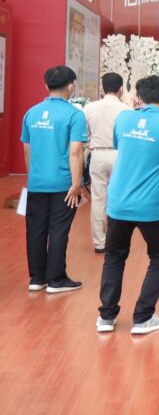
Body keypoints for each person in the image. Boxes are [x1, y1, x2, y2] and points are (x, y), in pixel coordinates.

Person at [97, 76, 159, 334]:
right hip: (153, 206)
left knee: (114, 257)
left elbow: (120, 144)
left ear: (138, 97)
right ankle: (143, 316)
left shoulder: (123, 119)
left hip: (118, 203)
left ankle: (106, 317)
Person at [21, 65, 89, 294]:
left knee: (36, 230)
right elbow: (76, 152)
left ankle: (37, 278)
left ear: (46, 86)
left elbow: (27, 150)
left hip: (36, 182)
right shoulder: (74, 115)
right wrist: (77, 184)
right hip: (63, 185)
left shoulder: (31, 113)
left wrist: (33, 177)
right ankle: (56, 280)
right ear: (71, 86)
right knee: (59, 230)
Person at [83, 72, 131, 254]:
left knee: (98, 198)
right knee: (119, 197)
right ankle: (116, 238)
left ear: (102, 89)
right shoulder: (127, 111)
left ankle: (99, 242)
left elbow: (84, 135)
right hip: (120, 155)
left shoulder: (89, 108)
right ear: (121, 89)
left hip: (97, 153)